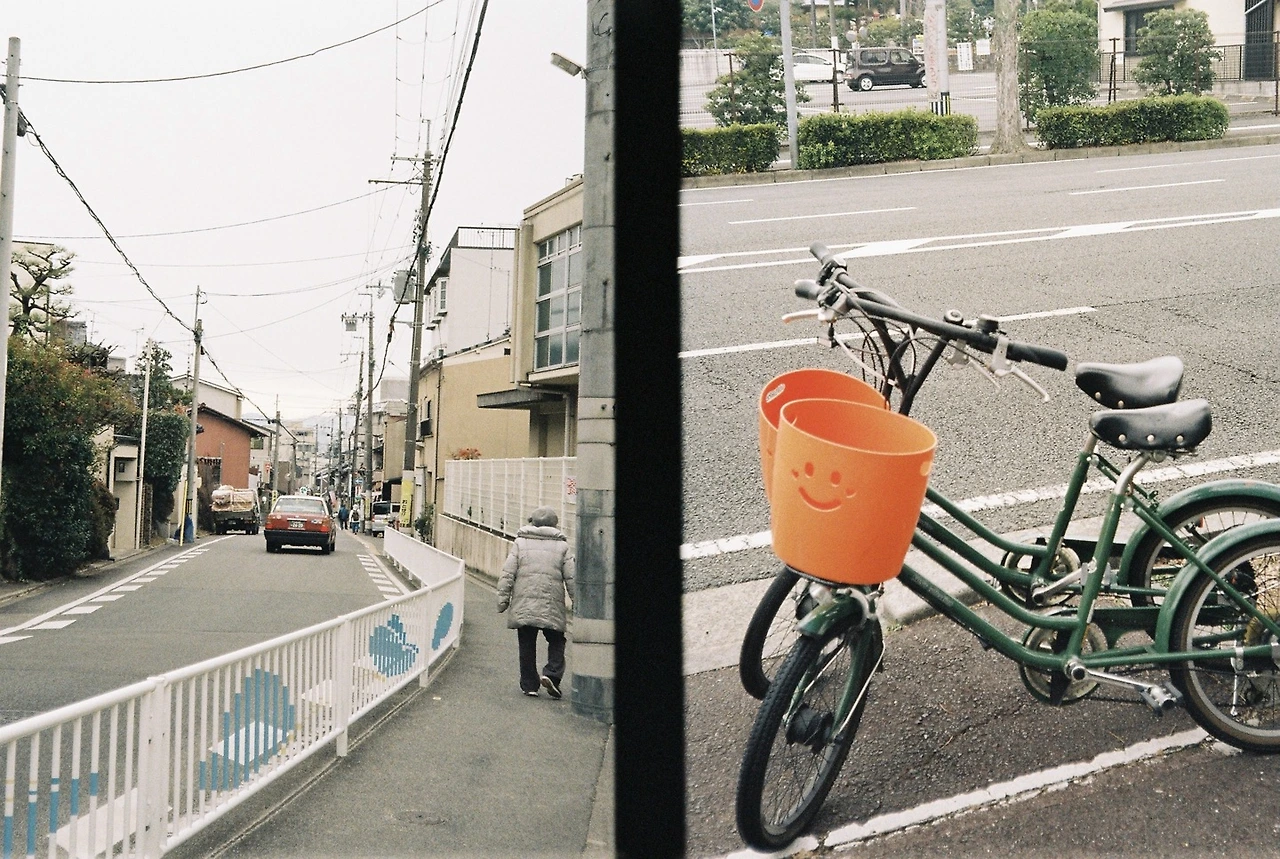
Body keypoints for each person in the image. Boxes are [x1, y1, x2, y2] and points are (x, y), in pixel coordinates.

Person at [497, 506, 575, 699]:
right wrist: (578, 602)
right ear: (554, 524)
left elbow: (508, 573)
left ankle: (530, 685)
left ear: (533, 522)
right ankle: (552, 675)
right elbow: (571, 578)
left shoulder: (520, 543)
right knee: (557, 640)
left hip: (524, 602)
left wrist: (502, 600)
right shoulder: (562, 547)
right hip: (552, 602)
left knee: (526, 642)